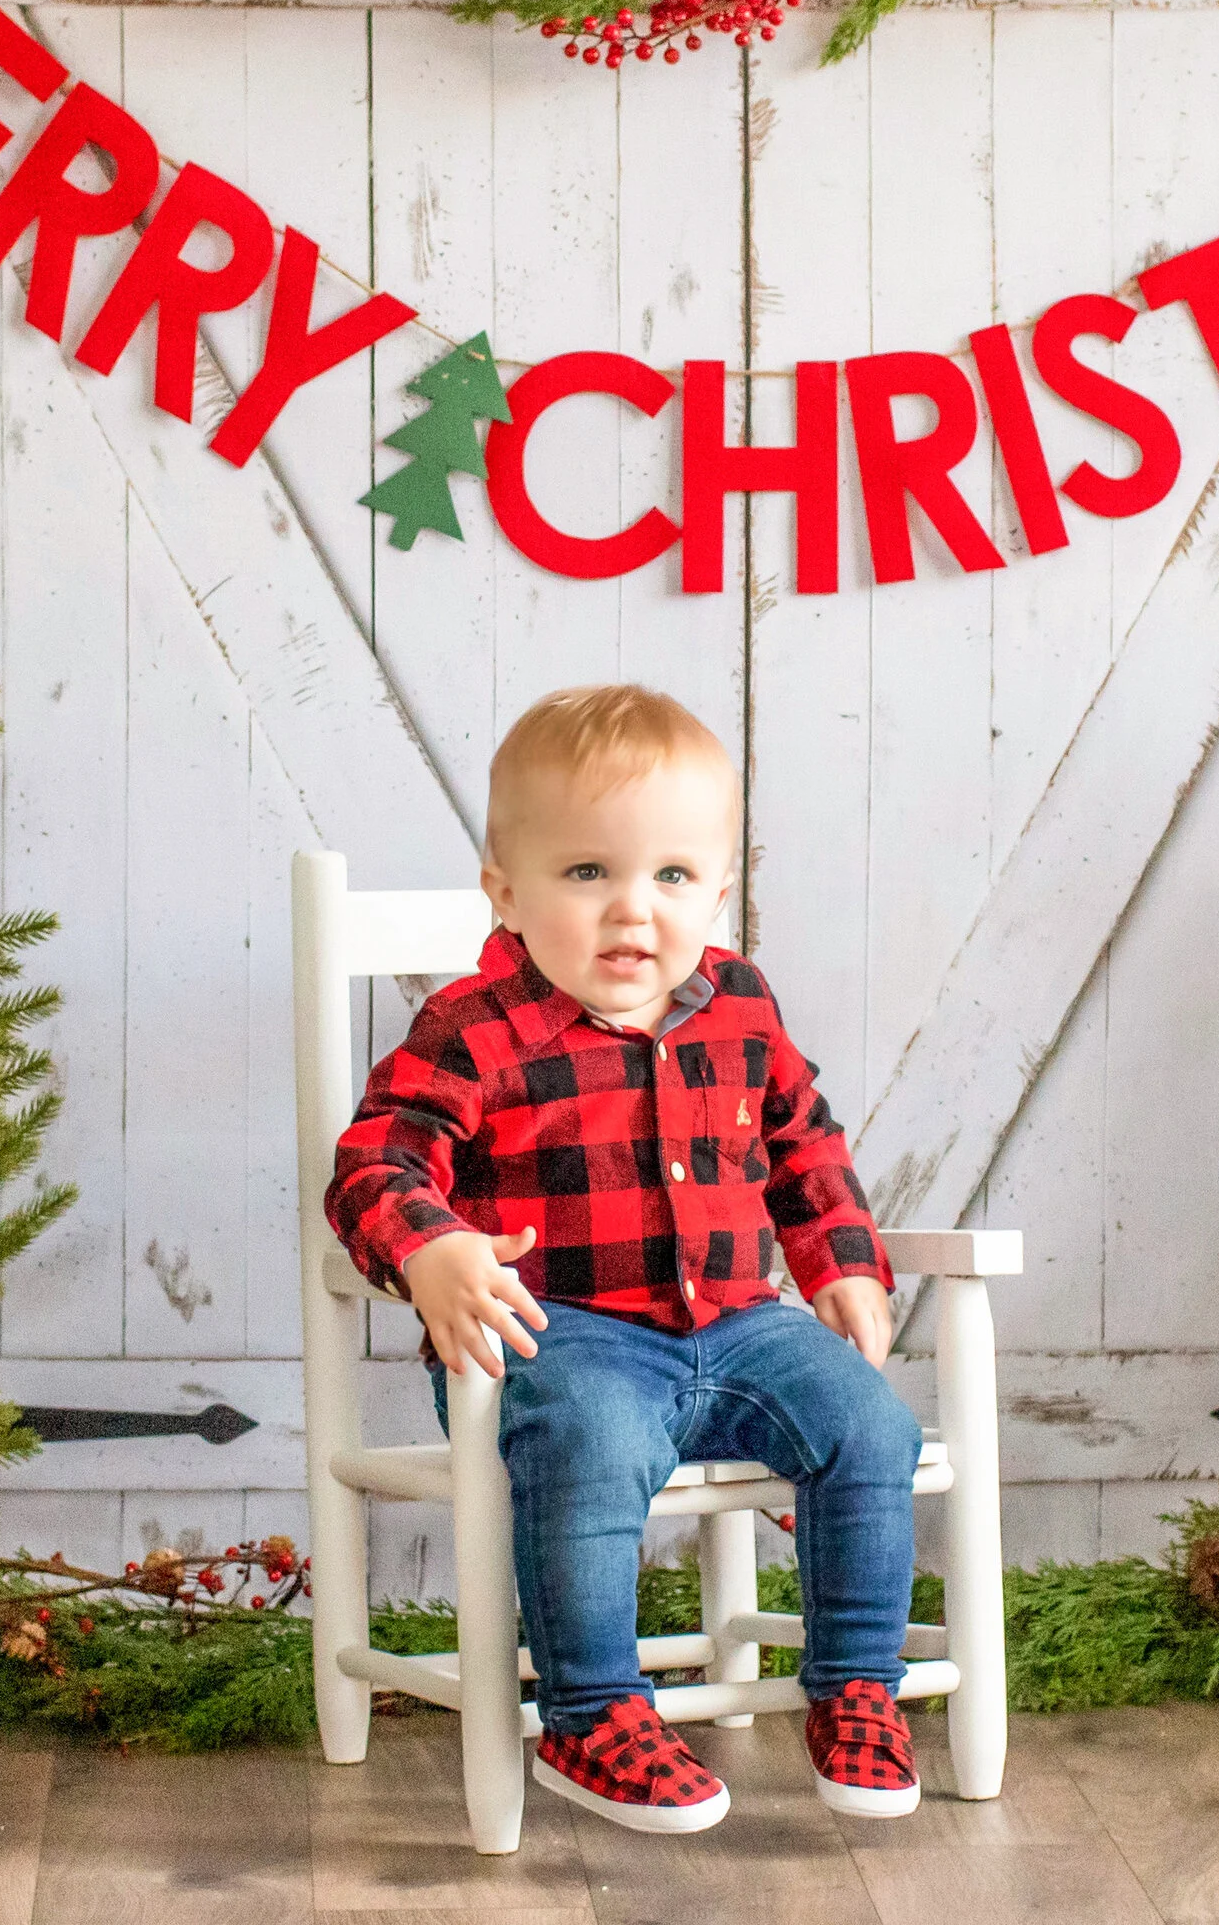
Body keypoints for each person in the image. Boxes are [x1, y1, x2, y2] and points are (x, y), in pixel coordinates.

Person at [327, 683, 924, 1833]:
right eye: (586, 873)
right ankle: (592, 1712)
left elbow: (803, 1140)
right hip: (562, 1338)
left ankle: (855, 1687)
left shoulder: (740, 1006)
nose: (631, 913)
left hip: (741, 1323)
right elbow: (374, 1164)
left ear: (716, 887)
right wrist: (435, 1251)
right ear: (504, 889)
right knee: (593, 1445)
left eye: (671, 877)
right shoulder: (473, 1026)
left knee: (872, 1428)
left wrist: (842, 1256)